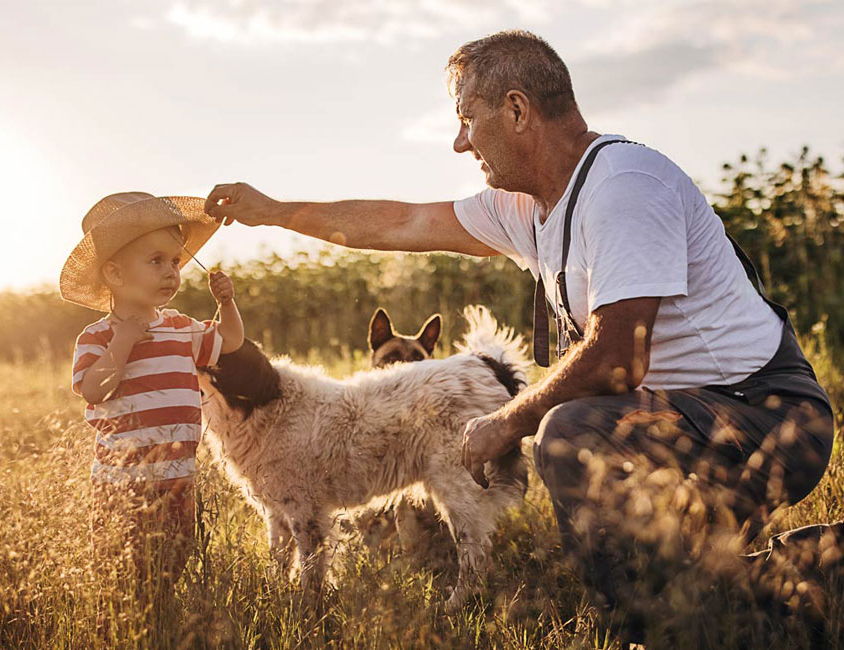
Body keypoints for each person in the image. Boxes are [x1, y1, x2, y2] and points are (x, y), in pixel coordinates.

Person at [200, 29, 836, 640]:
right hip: (685, 424)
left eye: (466, 118)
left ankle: (651, 625)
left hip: (764, 418)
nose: (458, 142)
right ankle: (801, 568)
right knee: (691, 586)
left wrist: (508, 421)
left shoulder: (623, 187)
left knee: (568, 432)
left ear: (516, 110)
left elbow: (617, 358)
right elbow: (400, 222)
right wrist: (276, 213)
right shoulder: (527, 205)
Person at [59, 191, 243, 629]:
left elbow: (230, 342)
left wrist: (227, 304)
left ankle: (159, 623)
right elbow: (94, 390)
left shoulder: (180, 329)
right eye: (156, 261)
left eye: (175, 262)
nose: (171, 272)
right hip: (122, 488)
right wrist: (125, 340)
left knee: (170, 567)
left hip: (178, 481)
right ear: (116, 273)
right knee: (119, 577)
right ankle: (119, 630)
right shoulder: (97, 338)